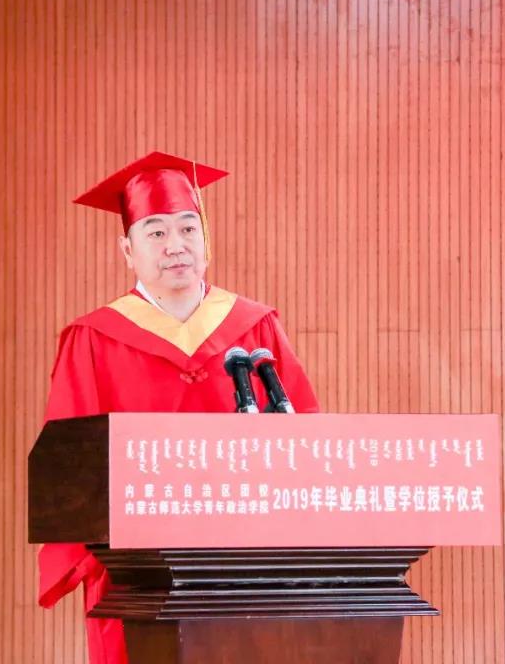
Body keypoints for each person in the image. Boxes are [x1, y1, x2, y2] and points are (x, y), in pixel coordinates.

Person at [36, 151, 319, 664]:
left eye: (189, 229)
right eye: (156, 232)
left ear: (206, 239)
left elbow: (306, 441)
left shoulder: (254, 327)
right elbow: (69, 466)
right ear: (128, 250)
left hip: (247, 564)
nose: (176, 246)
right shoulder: (94, 339)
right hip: (137, 574)